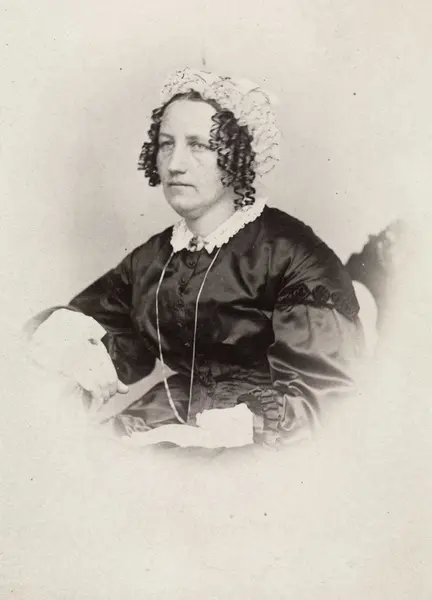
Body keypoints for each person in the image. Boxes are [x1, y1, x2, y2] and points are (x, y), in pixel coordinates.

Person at [27, 67, 364, 450]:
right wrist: (80, 352)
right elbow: (104, 331)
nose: (175, 164)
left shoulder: (292, 252)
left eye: (198, 145)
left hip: (262, 437)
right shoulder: (156, 256)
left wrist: (240, 427)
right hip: (168, 411)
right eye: (166, 144)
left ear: (238, 154)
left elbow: (327, 397)